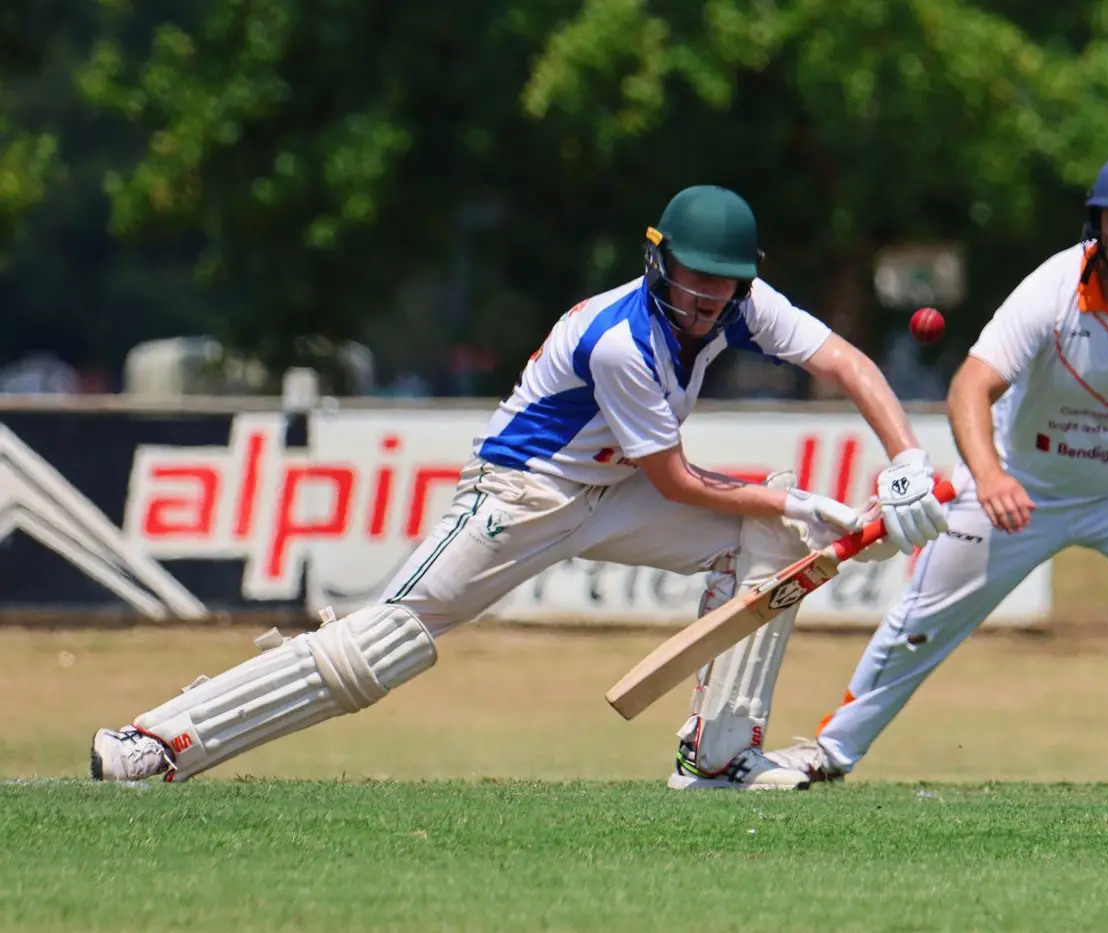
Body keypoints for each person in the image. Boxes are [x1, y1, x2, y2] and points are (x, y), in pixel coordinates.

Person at [89, 184, 950, 790]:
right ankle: (156, 741)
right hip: (521, 494)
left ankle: (719, 759)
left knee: (768, 545)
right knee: (382, 645)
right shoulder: (620, 340)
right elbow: (679, 480)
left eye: (724, 280)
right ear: (659, 260)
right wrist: (800, 499)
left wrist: (904, 456)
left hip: (609, 491)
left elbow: (841, 358)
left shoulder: (739, 301)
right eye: (694, 277)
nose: (709, 297)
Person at [767, 150, 1108, 788]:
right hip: (1020, 483)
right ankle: (827, 753)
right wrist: (989, 477)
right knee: (920, 623)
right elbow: (971, 388)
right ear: (1096, 222)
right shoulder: (1052, 288)